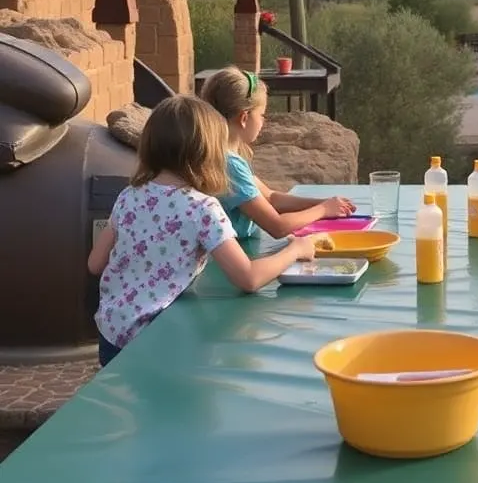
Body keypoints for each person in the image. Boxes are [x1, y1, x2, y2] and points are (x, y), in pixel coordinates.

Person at [87, 95, 317, 367]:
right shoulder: (201, 207)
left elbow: (95, 264)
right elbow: (249, 279)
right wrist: (296, 249)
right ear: (207, 151)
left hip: (111, 332)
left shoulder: (129, 195)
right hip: (158, 339)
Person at [200, 66, 355, 240]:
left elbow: (271, 198)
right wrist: (323, 210)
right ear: (244, 118)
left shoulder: (224, 155)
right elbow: (277, 226)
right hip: (232, 258)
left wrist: (326, 204)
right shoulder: (229, 165)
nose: (263, 121)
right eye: (262, 115)